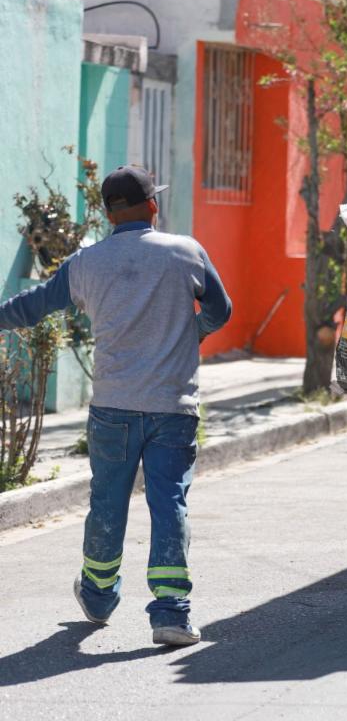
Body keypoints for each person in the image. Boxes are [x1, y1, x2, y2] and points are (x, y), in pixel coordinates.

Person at [0, 165, 232, 647]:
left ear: (108, 214)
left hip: (112, 408)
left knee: (107, 503)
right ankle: (171, 612)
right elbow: (220, 310)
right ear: (152, 205)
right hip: (173, 406)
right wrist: (194, 332)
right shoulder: (185, 251)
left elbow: (34, 305)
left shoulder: (86, 263)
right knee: (169, 503)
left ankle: (99, 596)